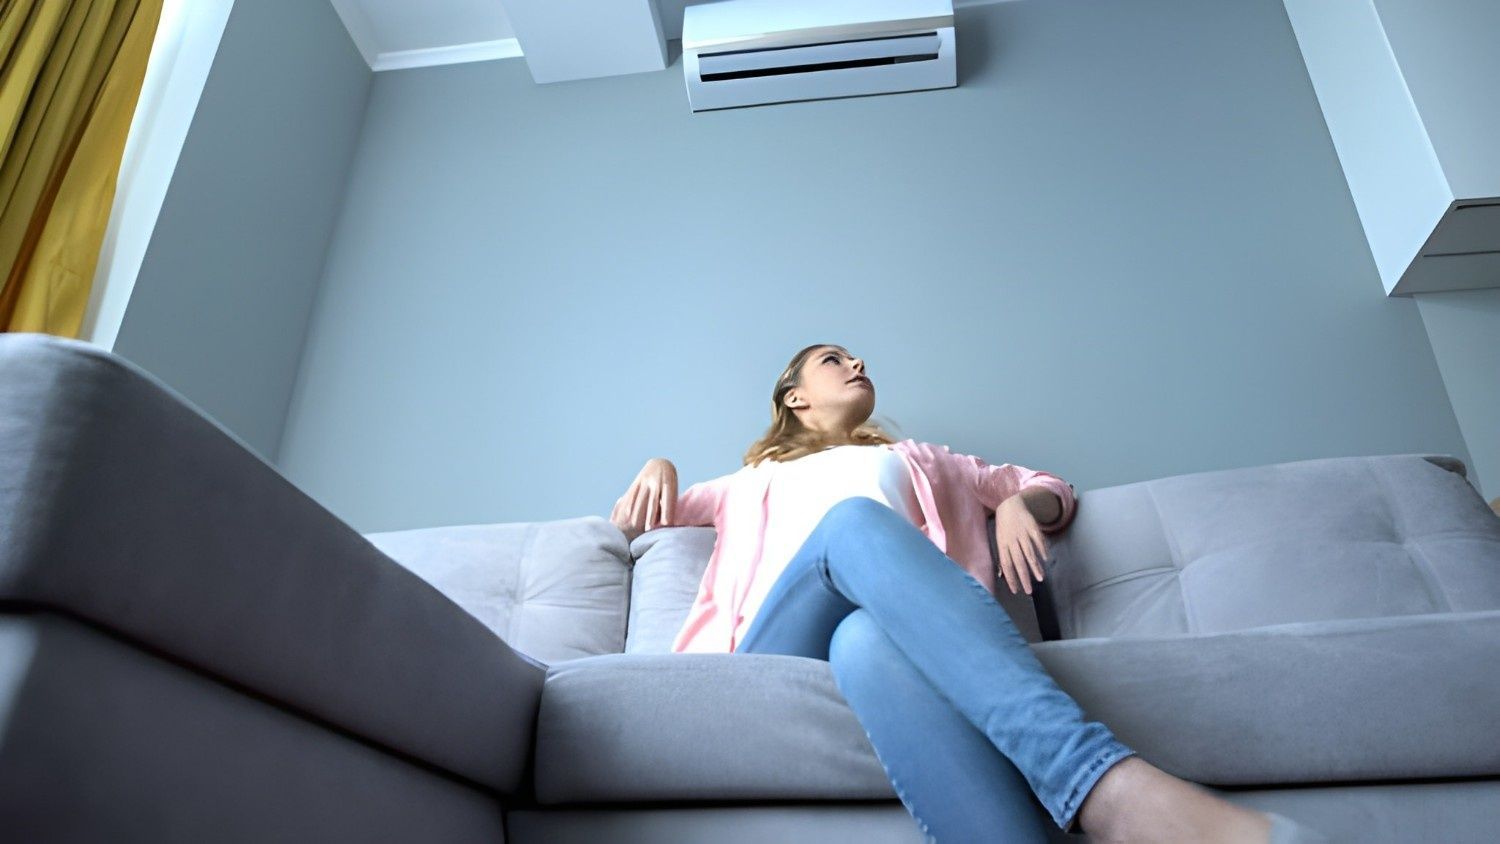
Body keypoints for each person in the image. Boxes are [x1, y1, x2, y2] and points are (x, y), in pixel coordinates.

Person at [611, 343, 1328, 844]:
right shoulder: (747, 483)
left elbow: (1049, 489)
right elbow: (638, 515)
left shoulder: (923, 461)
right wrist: (658, 461)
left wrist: (1017, 505)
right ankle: (1102, 787)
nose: (857, 364)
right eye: (835, 359)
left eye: (858, 357)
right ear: (794, 396)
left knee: (865, 637)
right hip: (777, 657)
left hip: (884, 651)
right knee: (851, 525)